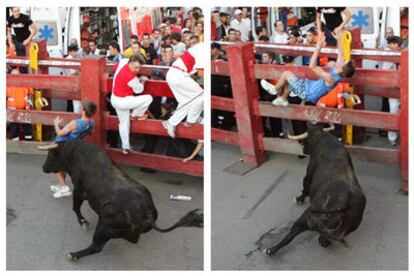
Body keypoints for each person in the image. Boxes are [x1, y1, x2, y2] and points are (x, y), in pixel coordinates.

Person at [261, 32, 356, 106]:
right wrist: (339, 39)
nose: (343, 59)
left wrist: (318, 48)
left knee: (286, 74)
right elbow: (340, 53)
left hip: (307, 92)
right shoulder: (338, 69)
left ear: (340, 68)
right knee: (290, 80)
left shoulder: (331, 78)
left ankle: (275, 90)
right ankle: (283, 99)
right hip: (309, 87)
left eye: (344, 62)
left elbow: (312, 66)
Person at [48, 100, 97, 198]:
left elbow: (60, 133)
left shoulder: (75, 123)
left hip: (63, 145)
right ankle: (61, 185)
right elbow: (90, 132)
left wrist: (56, 124)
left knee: (54, 165)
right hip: (74, 146)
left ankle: (64, 187)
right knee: (64, 166)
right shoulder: (91, 123)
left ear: (83, 110)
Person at [110, 55, 153, 154]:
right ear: (131, 63)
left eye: (139, 67)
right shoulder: (130, 76)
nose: (137, 70)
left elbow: (115, 67)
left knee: (124, 123)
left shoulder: (124, 62)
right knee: (148, 98)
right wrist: (142, 80)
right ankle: (135, 115)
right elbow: (139, 90)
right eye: (136, 67)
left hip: (115, 98)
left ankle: (126, 147)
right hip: (123, 101)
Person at [162, 42, 204, 138]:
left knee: (185, 101)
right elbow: (201, 74)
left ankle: (171, 122)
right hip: (179, 75)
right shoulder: (203, 50)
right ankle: (192, 120)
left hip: (174, 74)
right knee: (201, 95)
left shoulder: (199, 47)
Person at [382, 35, 402, 146]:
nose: (393, 46)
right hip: (393, 87)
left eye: (396, 44)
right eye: (391, 43)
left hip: (402, 86)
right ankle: (392, 138)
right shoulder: (387, 55)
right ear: (388, 44)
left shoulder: (403, 53)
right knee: (393, 110)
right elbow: (384, 70)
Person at [7, 7, 37, 73]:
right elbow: (9, 31)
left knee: (29, 60)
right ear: (12, 11)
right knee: (21, 61)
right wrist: (10, 42)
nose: (17, 13)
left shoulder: (25, 18)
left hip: (27, 40)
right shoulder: (10, 19)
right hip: (18, 41)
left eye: (18, 11)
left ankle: (30, 76)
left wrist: (28, 39)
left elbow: (35, 29)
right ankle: (23, 76)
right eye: (15, 11)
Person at [7, 69, 33, 141]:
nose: (15, 77)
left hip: (25, 109)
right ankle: (16, 144)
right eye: (13, 75)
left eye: (17, 75)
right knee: (14, 128)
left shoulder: (25, 83)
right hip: (12, 111)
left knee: (27, 127)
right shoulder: (7, 84)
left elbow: (31, 93)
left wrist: (29, 100)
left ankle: (29, 142)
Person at [64, 45, 82, 113]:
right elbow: (73, 73)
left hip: (67, 81)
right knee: (75, 104)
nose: (77, 53)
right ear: (71, 52)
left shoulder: (66, 59)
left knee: (69, 102)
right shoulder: (71, 60)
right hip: (73, 82)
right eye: (76, 51)